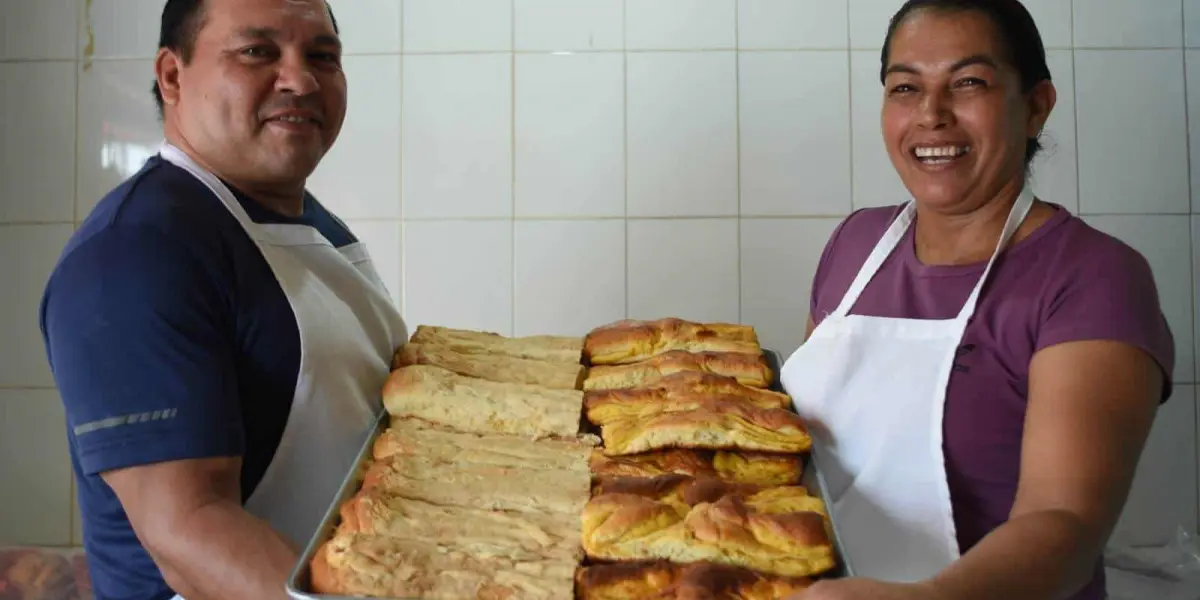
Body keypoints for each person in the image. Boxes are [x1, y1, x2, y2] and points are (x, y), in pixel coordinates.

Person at [782, 1, 1173, 599]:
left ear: (1036, 107)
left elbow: (1064, 523)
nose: (931, 116)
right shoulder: (855, 243)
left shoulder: (1094, 277)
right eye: (905, 88)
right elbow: (794, 446)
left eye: (968, 83)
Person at [38, 0, 408, 599]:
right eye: (258, 52)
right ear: (172, 76)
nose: (300, 79)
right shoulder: (136, 254)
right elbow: (190, 533)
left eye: (322, 56)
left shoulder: (310, 225)